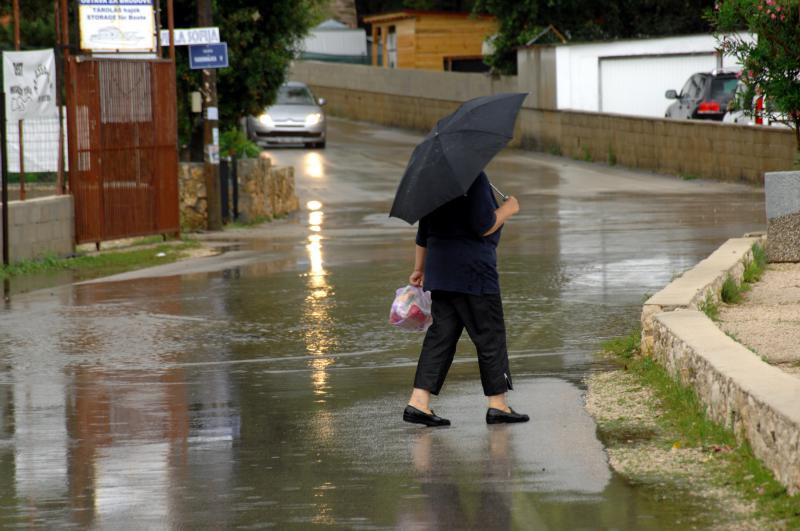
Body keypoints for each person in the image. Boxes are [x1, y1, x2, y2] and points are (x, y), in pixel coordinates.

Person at [402, 171, 529, 427]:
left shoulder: (430, 181)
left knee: (441, 337)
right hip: (473, 273)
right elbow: (484, 226)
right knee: (489, 335)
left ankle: (419, 401)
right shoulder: (474, 178)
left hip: (440, 272)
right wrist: (509, 208)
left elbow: (423, 233)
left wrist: (419, 268)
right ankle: (498, 405)